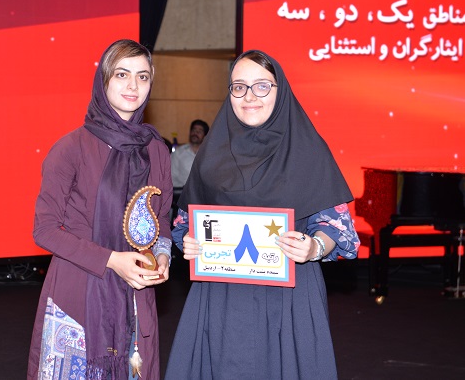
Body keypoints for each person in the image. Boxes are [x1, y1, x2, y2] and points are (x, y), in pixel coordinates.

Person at [164, 50, 360, 380]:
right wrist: (189, 243)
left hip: (290, 295)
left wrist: (314, 247)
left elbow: (337, 229)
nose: (249, 96)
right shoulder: (212, 152)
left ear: (280, 90)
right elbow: (185, 224)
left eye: (262, 86)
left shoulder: (309, 150)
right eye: (239, 87)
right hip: (223, 294)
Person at [27, 39, 173, 380]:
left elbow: (161, 217)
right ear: (104, 79)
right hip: (79, 294)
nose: (133, 85)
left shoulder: (156, 150)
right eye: (122, 74)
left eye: (142, 76)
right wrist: (112, 260)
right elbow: (45, 230)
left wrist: (162, 255)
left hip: (136, 296)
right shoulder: (71, 148)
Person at [170, 119, 209, 188]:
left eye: (199, 131)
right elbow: (171, 177)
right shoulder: (178, 153)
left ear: (205, 136)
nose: (195, 133)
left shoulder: (209, 154)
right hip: (182, 191)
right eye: (194, 130)